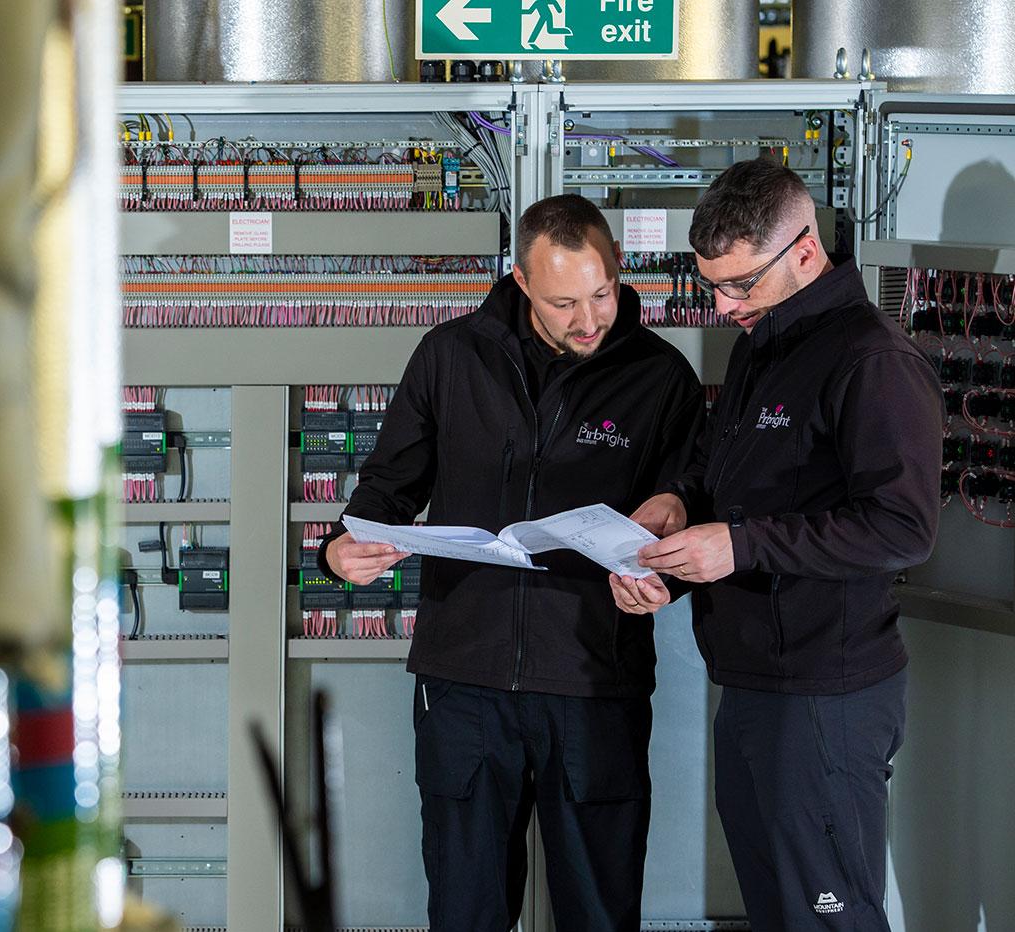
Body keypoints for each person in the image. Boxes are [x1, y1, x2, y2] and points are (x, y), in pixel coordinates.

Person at [319, 195, 704, 931]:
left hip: (595, 680)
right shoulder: (450, 356)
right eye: (564, 302)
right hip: (465, 682)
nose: (588, 319)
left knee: (599, 909)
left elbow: (687, 505)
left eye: (602, 293)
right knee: (467, 910)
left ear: (619, 266)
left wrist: (664, 571)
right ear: (521, 283)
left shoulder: (662, 378)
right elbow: (385, 488)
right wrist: (340, 551)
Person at [613, 159, 942, 931]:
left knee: (826, 917)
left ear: (804, 249)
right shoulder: (763, 343)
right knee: (778, 914)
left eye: (741, 285)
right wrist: (675, 522)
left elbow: (903, 527)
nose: (725, 307)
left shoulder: (874, 361)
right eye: (713, 286)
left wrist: (739, 546)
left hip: (826, 694)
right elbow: (731, 486)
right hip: (755, 685)